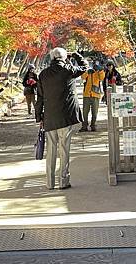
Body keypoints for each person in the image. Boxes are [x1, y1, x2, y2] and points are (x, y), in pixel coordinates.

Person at [35, 47, 87, 190]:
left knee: (51, 150)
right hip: (66, 117)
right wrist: (76, 55)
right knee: (64, 149)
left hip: (49, 118)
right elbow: (85, 67)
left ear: (51, 58)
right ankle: (64, 181)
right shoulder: (69, 70)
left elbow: (39, 97)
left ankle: (49, 183)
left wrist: (39, 116)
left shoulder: (43, 74)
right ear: (64, 58)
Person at [80, 60, 105, 132]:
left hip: (96, 95)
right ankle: (84, 126)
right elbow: (83, 77)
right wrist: (87, 71)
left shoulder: (99, 72)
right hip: (87, 94)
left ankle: (93, 125)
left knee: (95, 112)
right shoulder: (88, 71)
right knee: (85, 112)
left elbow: (102, 78)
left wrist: (100, 70)